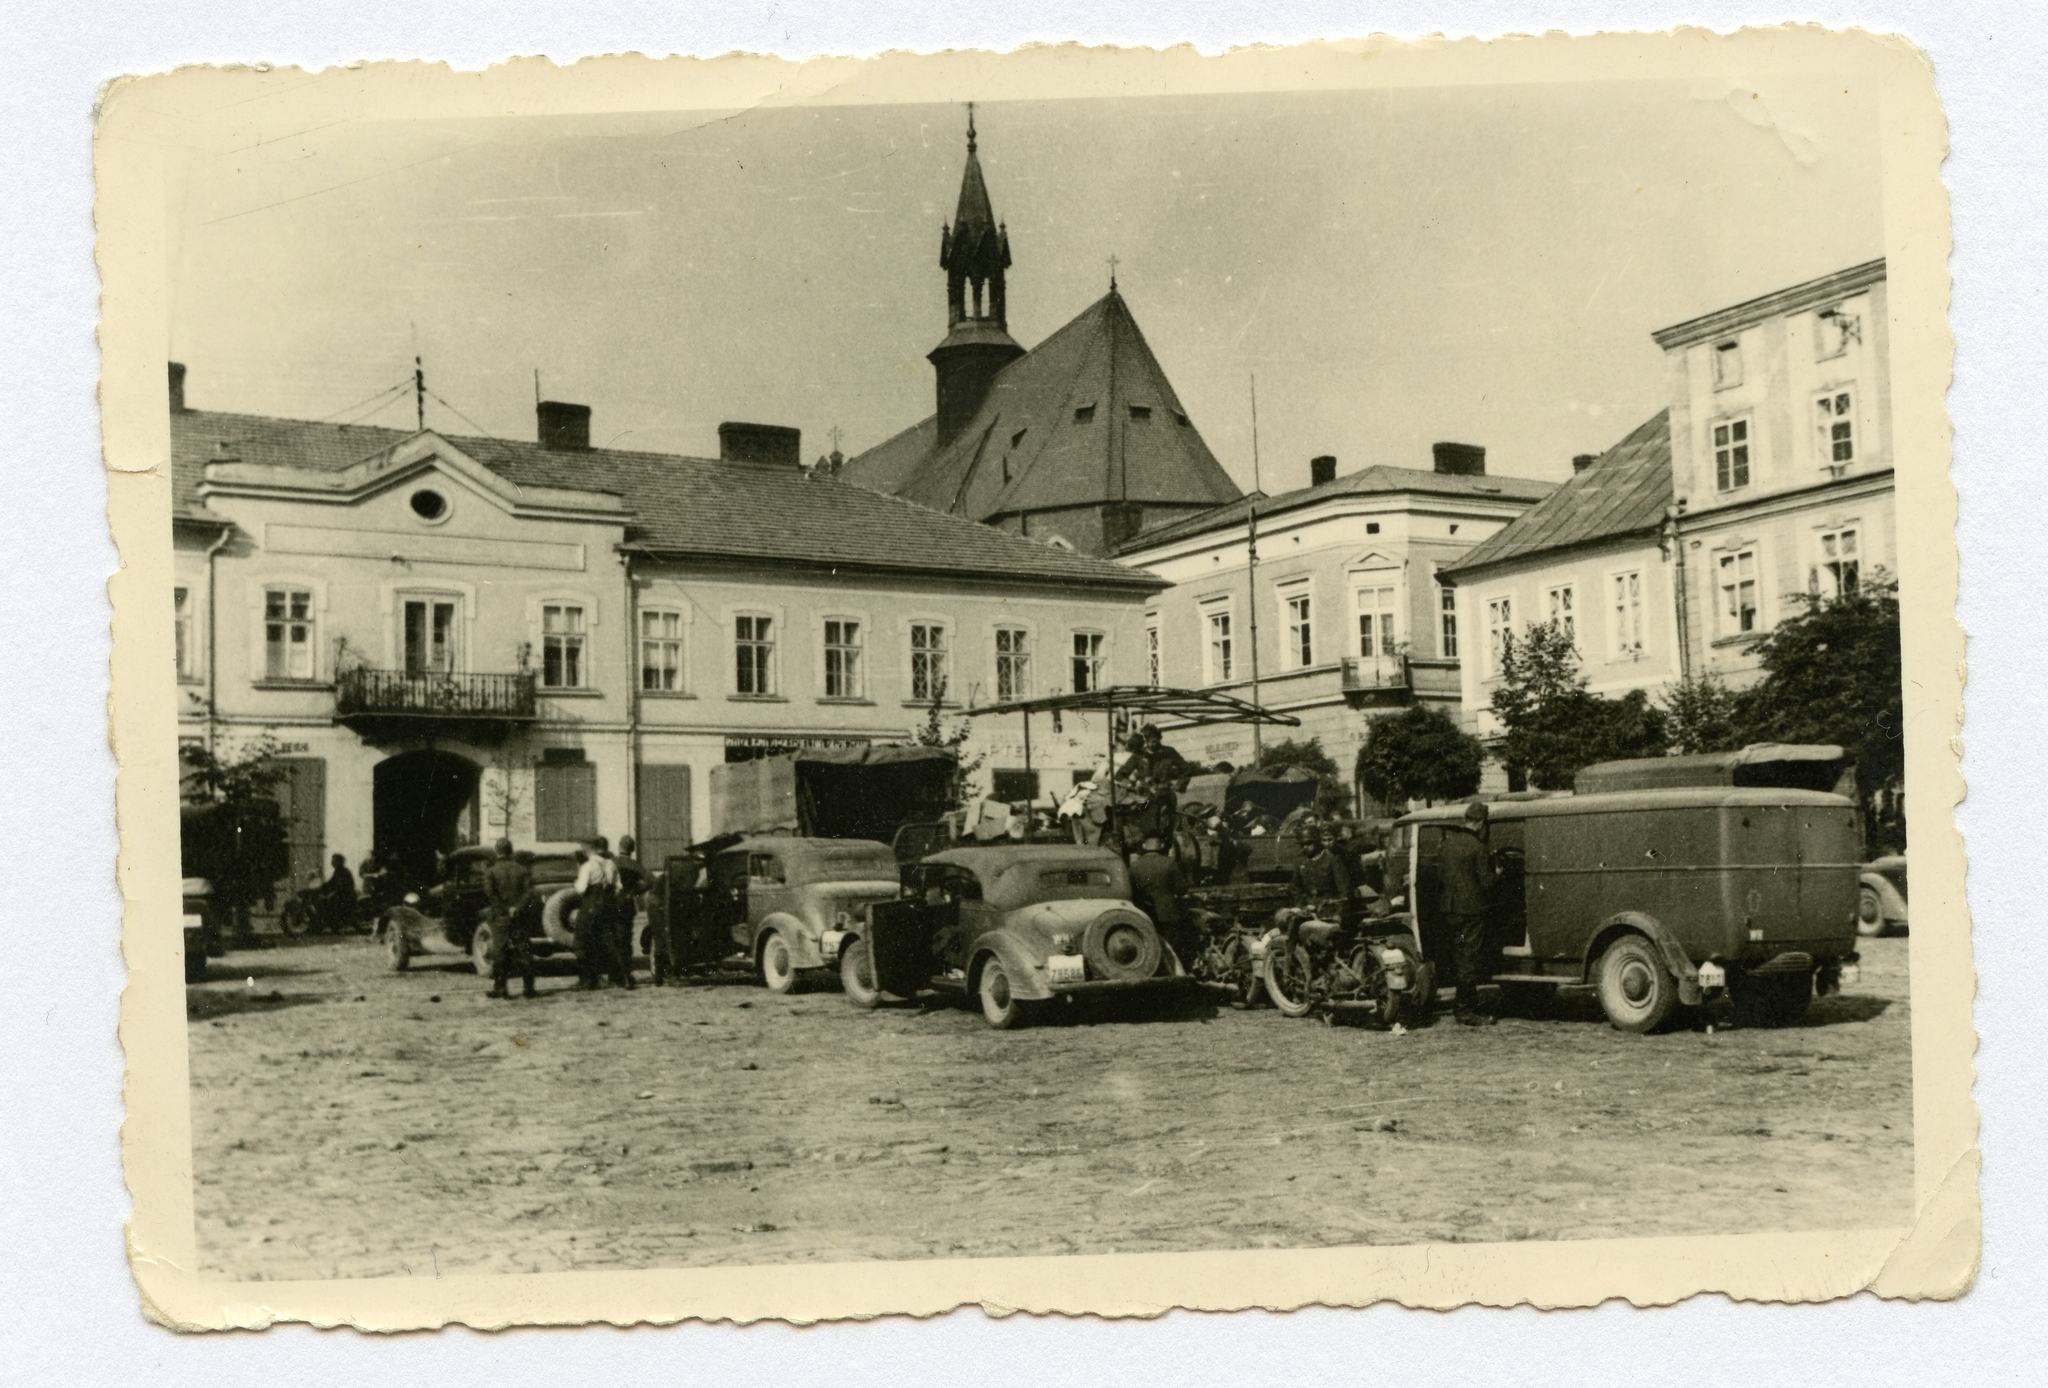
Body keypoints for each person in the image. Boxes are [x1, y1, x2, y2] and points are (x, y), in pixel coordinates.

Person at [1440, 799, 1499, 1026]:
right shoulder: (1478, 848)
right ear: (1482, 823)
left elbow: (1442, 877)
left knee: (1461, 951)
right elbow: (1487, 883)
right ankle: (1465, 1011)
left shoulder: (1446, 845)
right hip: (1471, 914)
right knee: (1469, 957)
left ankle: (1465, 1005)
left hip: (1451, 913)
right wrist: (1498, 873)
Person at [1127, 832, 1196, 965]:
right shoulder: (1169, 863)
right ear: (1162, 846)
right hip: (1168, 914)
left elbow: (1131, 891)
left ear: (1144, 846)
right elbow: (1181, 890)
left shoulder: (1134, 867)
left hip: (1145, 915)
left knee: (1149, 950)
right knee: (1172, 952)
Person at [482, 837, 536, 999]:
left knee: (500, 952)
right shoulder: (522, 870)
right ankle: (529, 989)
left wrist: (504, 908)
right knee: (524, 950)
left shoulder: (491, 871)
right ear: (511, 850)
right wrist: (517, 907)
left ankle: (501, 988)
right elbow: (529, 892)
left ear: (496, 851)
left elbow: (490, 893)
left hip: (500, 916)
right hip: (519, 916)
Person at [572, 837, 624, 990]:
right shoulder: (611, 864)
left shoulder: (587, 866)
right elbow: (618, 887)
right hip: (607, 905)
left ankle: (588, 980)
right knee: (609, 941)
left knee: (582, 941)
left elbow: (580, 888)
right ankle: (618, 977)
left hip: (590, 905)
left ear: (592, 848)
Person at [1291, 821, 1354, 920]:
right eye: (1302, 844)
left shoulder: (1331, 858)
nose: (1305, 847)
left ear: (1317, 842)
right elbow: (1296, 888)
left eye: (1308, 843)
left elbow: (1344, 890)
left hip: (1329, 906)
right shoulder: (1301, 861)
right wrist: (1300, 906)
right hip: (1308, 906)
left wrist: (1338, 912)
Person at [613, 834, 647, 983]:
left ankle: (614, 974)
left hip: (610, 902)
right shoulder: (634, 865)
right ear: (632, 849)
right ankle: (626, 974)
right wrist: (636, 891)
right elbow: (651, 880)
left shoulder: (611, 862)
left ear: (619, 847)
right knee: (625, 939)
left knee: (611, 938)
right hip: (626, 903)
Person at [318, 853, 357, 932]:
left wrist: (331, 892)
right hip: (340, 893)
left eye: (334, 860)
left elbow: (341, 885)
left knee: (331, 900)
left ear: (339, 862)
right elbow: (332, 882)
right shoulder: (337, 871)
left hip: (346, 894)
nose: (332, 862)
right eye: (332, 860)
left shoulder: (344, 872)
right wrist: (321, 887)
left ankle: (335, 925)